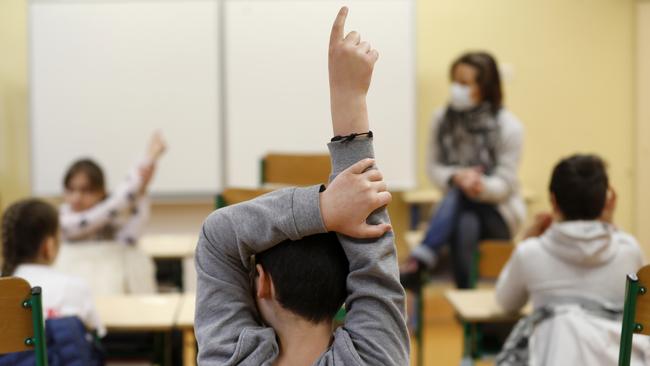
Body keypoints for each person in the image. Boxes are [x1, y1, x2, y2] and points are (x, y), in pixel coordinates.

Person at [193, 7, 409, 365]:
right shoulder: (376, 359)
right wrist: (350, 97)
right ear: (344, 290)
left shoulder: (229, 359)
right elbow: (375, 266)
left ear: (262, 282)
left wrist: (324, 211)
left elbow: (218, 235)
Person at [495, 154, 646, 365]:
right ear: (606, 200)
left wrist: (525, 240)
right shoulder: (629, 250)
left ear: (553, 200)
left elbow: (506, 302)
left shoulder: (530, 252)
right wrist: (611, 224)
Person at [401, 51, 525, 289]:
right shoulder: (441, 120)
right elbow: (433, 168)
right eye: (455, 81)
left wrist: (478, 184)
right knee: (466, 220)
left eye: (464, 83)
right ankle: (468, 304)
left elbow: (505, 184)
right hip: (459, 211)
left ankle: (422, 260)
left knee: (461, 195)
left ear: (485, 87)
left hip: (499, 214)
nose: (457, 88)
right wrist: (457, 177)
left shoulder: (509, 127)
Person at [1, 198, 104, 336]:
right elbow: (98, 333)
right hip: (56, 358)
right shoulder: (73, 286)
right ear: (48, 246)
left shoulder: (5, 285)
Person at [60, 132, 166, 244]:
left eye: (86, 191)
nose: (77, 197)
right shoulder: (62, 220)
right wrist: (148, 159)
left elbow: (131, 236)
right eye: (70, 190)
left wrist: (142, 187)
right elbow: (112, 206)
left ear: (102, 192)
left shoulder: (111, 222)